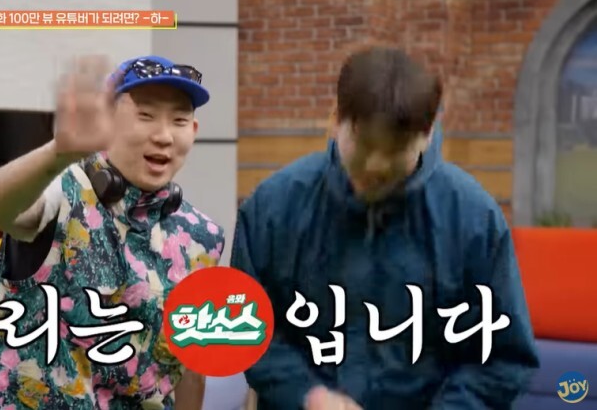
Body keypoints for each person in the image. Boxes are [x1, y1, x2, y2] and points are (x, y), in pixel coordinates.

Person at [231, 46, 540, 409]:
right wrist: (306, 395)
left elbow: (503, 359)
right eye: (364, 144)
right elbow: (244, 328)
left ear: (427, 134)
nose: (375, 165)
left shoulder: (474, 220)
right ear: (335, 119)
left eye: (396, 149)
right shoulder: (272, 208)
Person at [0, 54, 225, 410]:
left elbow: (191, 367)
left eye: (179, 120)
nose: (164, 136)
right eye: (145, 115)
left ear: (193, 131)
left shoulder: (202, 237)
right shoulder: (61, 190)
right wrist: (57, 153)